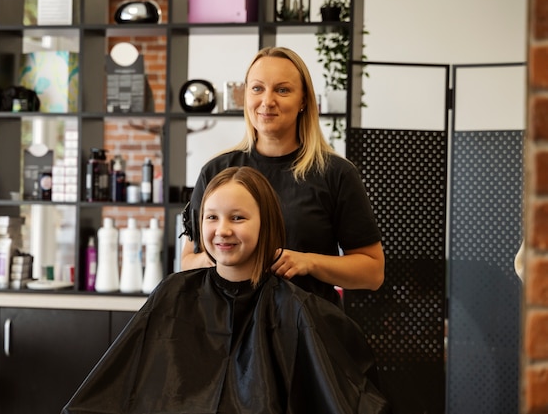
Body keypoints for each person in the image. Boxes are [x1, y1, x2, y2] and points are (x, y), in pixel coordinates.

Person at [62, 166, 389, 414]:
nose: (222, 230)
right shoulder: (175, 294)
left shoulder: (295, 309)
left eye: (238, 217)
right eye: (211, 217)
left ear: (267, 223)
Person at [181, 46, 384, 307]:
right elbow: (187, 262)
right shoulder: (216, 172)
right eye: (257, 88)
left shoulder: (335, 173)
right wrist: (221, 255)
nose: (267, 101)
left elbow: (372, 273)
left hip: (308, 333)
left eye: (282, 89)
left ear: (303, 101)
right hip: (230, 331)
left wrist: (308, 262)